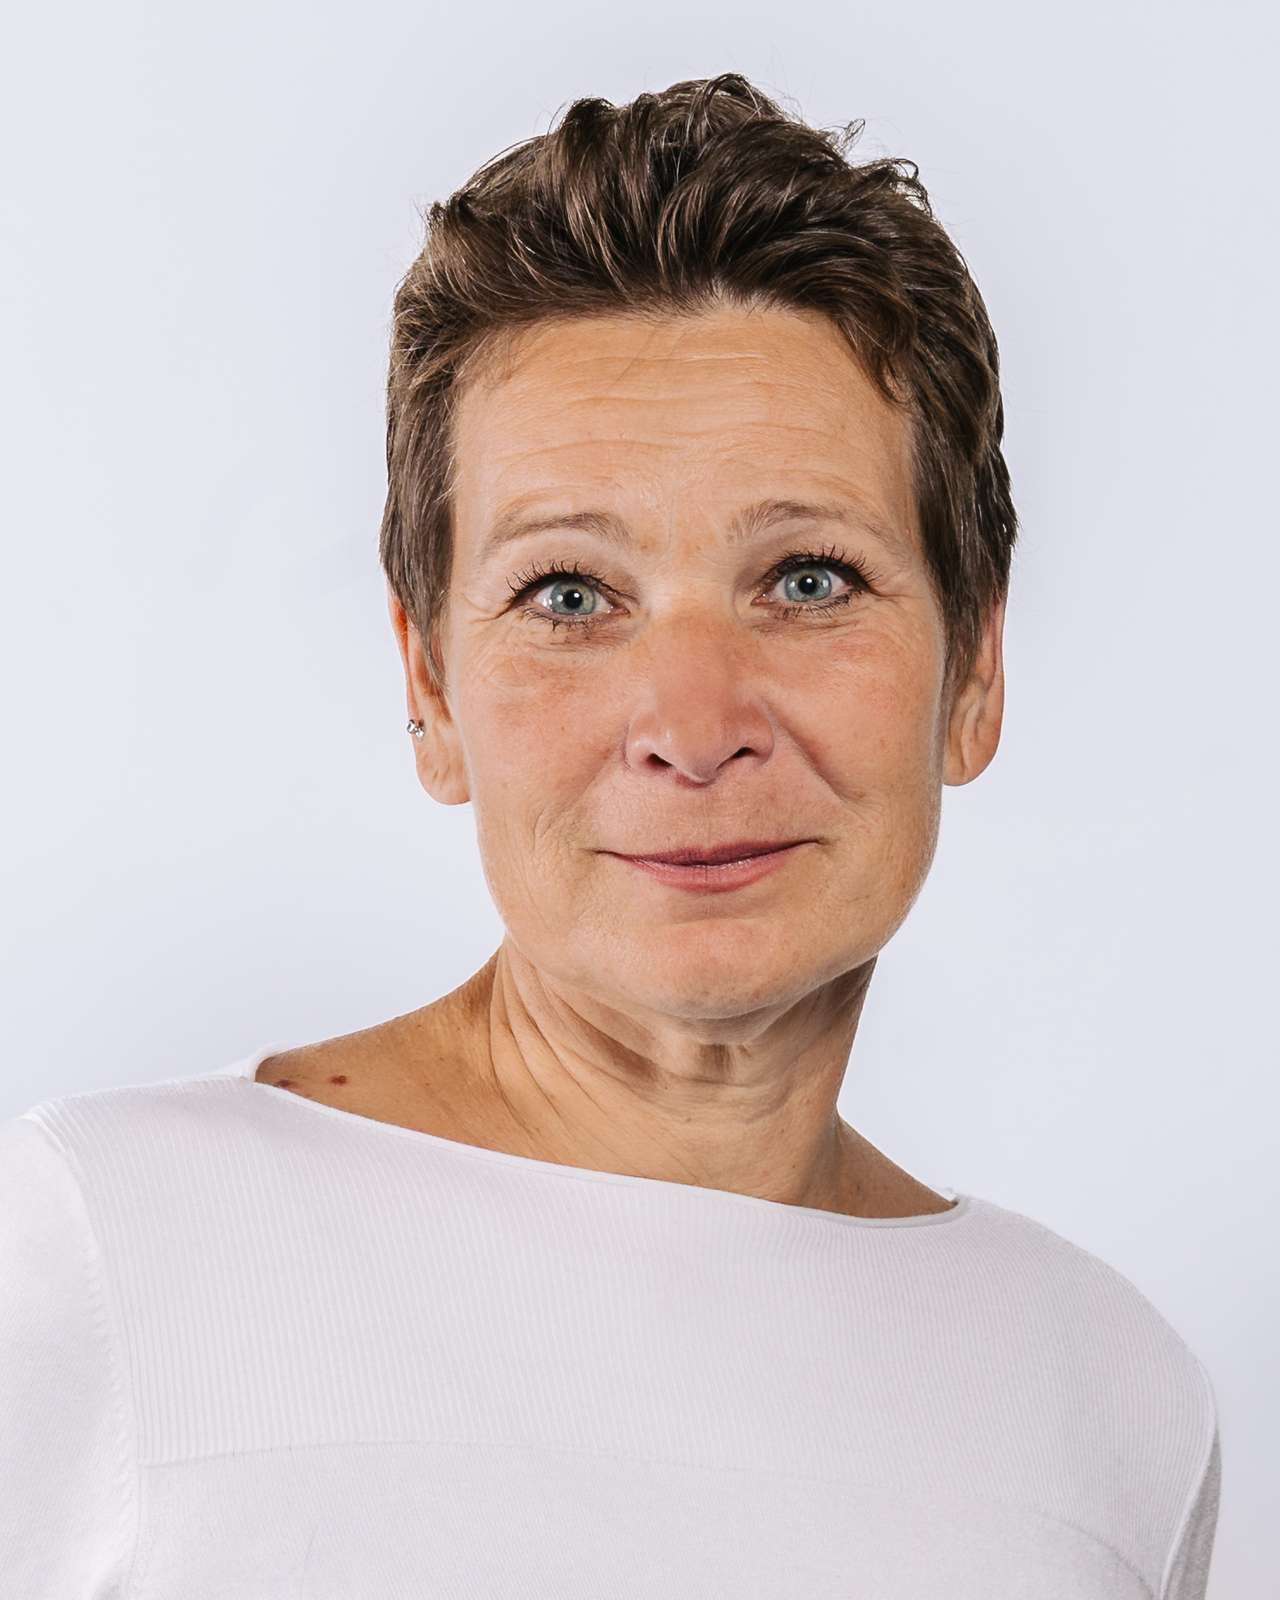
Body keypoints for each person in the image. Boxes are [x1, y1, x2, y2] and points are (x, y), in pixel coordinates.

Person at [0, 72, 1219, 1598]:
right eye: (569, 594)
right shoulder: (96, 1250)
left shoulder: (1102, 1395)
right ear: (430, 689)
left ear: (973, 672)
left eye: (810, 580)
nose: (693, 725)